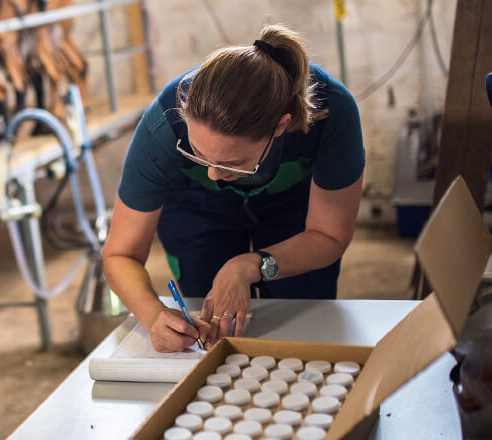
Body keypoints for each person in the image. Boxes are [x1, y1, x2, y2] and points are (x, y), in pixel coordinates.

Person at [102, 24, 364, 352]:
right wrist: (153, 315)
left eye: (232, 163)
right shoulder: (163, 126)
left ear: (281, 126)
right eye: (198, 153)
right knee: (208, 320)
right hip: (195, 204)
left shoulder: (332, 112)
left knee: (302, 320)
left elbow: (330, 235)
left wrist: (251, 264)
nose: (213, 173)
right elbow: (119, 254)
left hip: (293, 202)